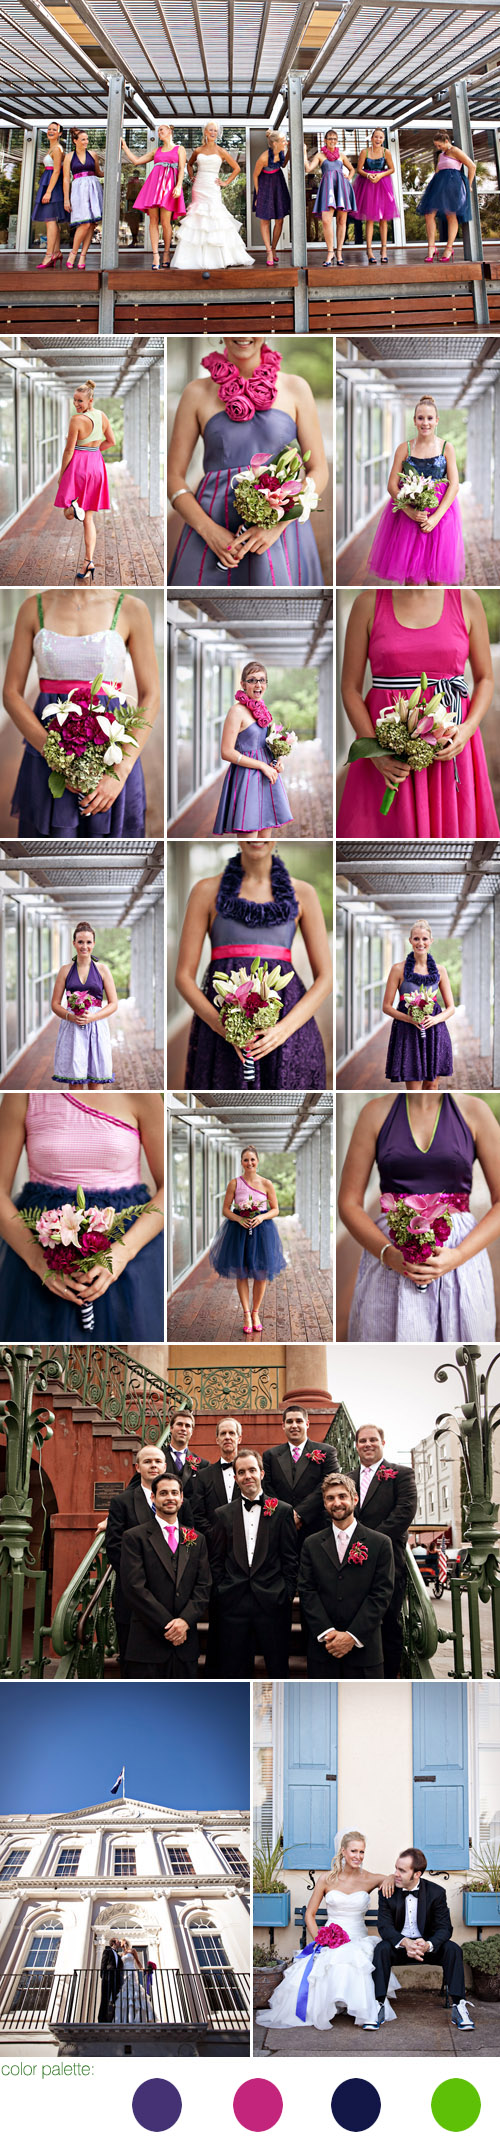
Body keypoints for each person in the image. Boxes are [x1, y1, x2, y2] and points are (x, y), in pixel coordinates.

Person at [0, 1091, 164, 1342]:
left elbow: (168, 1189)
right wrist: (37, 1260)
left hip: (129, 1252)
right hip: (39, 1251)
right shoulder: (22, 1095)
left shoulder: (144, 1096)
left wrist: (120, 1255)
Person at [337, 586, 498, 839]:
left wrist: (467, 729)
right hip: (384, 745)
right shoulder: (366, 603)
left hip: (450, 743)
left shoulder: (467, 600)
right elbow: (350, 688)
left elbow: (486, 678)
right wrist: (375, 752)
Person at [339, 1091, 500, 1342]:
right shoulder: (374, 1112)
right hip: (389, 1255)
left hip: (460, 1256)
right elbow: (349, 1202)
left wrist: (458, 1256)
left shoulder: (475, 1110)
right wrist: (388, 1255)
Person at [167, 334, 327, 587]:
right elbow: (174, 477)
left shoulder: (296, 388)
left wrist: (280, 523)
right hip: (212, 526)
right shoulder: (195, 392)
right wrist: (210, 532)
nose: (243, 334)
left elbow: (319, 469)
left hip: (281, 527)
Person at [5, 586, 160, 837]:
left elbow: (151, 695)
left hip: (113, 751)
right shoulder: (32, 608)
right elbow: (11, 693)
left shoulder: (132, 608)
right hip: (47, 748)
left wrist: (121, 770)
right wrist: (55, 756)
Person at [176, 841, 331, 1090]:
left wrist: (282, 1030)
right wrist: (224, 1028)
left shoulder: (304, 893)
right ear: (236, 829)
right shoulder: (205, 891)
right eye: (248, 824)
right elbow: (183, 976)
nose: (256, 834)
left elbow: (326, 978)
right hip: (222, 1030)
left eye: (264, 824)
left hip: (288, 1028)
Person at [256, 1830, 398, 2032]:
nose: (358, 1856)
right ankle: (333, 2005)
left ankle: (364, 2011)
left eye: (362, 1852)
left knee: (355, 1958)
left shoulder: (371, 1878)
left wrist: (391, 1876)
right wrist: (322, 1940)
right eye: (354, 1851)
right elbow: (309, 1915)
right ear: (343, 1851)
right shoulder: (326, 1879)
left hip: (358, 1938)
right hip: (331, 1939)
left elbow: (396, 1880)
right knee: (329, 1962)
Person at [105, 1444, 195, 1674]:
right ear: (138, 1467)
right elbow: (115, 1548)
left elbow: (189, 1545)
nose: (153, 1465)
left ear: (165, 1466)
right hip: (136, 1600)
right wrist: (142, 1584)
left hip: (176, 1602)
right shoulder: (121, 1502)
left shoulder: (179, 1502)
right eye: (147, 1461)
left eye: (158, 1461)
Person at [210, 1448, 299, 1677]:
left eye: (252, 1470)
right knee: (234, 1670)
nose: (247, 1476)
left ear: (261, 1473)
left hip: (273, 1602)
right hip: (233, 1603)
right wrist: (222, 1591)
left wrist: (286, 1593)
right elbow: (217, 1560)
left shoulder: (283, 1511)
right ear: (235, 1477)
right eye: (241, 1472)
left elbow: (290, 1559)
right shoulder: (222, 1514)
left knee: (277, 1667)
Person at [297, 1472, 395, 1679]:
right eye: (330, 1498)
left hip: (365, 1651)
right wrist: (327, 1632)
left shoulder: (380, 1543)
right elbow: (307, 1590)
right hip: (324, 1649)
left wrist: (351, 1636)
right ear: (324, 1503)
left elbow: (381, 1593)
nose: (337, 1503)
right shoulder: (311, 1544)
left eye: (342, 1496)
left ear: (354, 1499)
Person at [370, 1848, 474, 2032]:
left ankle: (459, 2006)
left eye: (402, 1870)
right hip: (400, 1948)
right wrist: (404, 1942)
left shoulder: (436, 1892)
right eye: (396, 1868)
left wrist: (428, 1944)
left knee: (453, 1950)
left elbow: (445, 1928)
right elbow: (384, 1927)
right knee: (381, 1949)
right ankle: (378, 2005)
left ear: (417, 1874)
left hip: (426, 1948)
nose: (396, 1874)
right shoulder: (387, 1891)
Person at [121, 1470, 211, 1678]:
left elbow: (204, 1586)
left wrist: (185, 1622)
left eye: (174, 1493)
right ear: (153, 1497)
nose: (169, 1498)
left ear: (181, 1498)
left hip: (185, 1645)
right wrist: (169, 1626)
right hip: (147, 1642)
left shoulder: (196, 1539)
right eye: (163, 1493)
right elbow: (134, 1588)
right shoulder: (134, 1537)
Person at [368, 395, 464, 587]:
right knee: (411, 579)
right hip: (408, 517)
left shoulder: (447, 448)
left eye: (429, 418)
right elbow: (392, 485)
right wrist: (410, 512)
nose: (425, 422)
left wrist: (436, 517)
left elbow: (454, 484)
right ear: (414, 420)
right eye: (420, 418)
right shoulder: (405, 448)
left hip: (441, 516)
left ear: (437, 420)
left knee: (436, 579)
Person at [353, 1425, 417, 1679]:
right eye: (362, 1440)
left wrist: (371, 1543)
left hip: (388, 1561)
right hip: (353, 1564)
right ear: (356, 1445)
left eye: (372, 1440)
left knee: (389, 1622)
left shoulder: (401, 1474)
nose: (367, 1444)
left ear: (383, 1442)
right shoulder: (348, 1476)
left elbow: (404, 1512)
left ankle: (389, 1676)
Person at [209, 1143, 286, 1335]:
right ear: (241, 1162)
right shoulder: (234, 1183)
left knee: (261, 1274)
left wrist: (261, 1216)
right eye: (246, 1160)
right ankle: (245, 1314)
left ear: (257, 1161)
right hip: (239, 1230)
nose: (249, 1162)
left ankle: (255, 1312)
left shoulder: (267, 1183)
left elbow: (275, 1209)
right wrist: (239, 1218)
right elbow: (226, 1209)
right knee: (241, 1272)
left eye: (252, 1159)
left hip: (262, 1231)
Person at [213, 660, 293, 836]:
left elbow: (267, 742)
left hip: (267, 778)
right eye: (252, 680)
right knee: (250, 839)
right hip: (247, 779)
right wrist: (262, 766)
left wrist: (278, 760)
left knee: (265, 840)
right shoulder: (236, 712)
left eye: (262, 680)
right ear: (243, 684)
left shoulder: (262, 709)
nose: (258, 684)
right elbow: (226, 752)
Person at [54, 380, 114, 584]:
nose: (76, 404)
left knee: (67, 511)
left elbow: (69, 450)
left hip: (79, 467)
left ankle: (73, 508)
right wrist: (93, 451)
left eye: (80, 401)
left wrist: (62, 474)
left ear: (90, 400)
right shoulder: (102, 416)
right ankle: (89, 561)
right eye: (74, 400)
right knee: (89, 519)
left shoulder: (76, 420)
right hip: (97, 466)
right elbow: (111, 442)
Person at [172, 123, 253, 273]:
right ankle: (193, 258)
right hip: (199, 186)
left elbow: (237, 168)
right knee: (198, 218)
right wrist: (191, 176)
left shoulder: (221, 151)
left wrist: (225, 182)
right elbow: (189, 165)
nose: (213, 132)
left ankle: (221, 257)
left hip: (213, 186)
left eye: (215, 130)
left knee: (215, 217)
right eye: (211, 130)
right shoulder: (198, 150)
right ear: (205, 132)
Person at [383, 919, 454, 1089]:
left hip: (435, 1032)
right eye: (416, 939)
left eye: (424, 939)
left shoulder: (440, 970)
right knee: (414, 1088)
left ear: (431, 941)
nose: (420, 943)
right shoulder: (398, 969)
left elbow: (451, 1008)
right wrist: (409, 1019)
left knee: (432, 1086)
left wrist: (435, 1020)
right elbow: (386, 1006)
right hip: (408, 1032)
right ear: (410, 941)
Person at [52, 921, 118, 1087]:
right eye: (80, 942)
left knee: (96, 1081)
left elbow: (113, 1003)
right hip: (72, 1029)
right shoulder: (65, 970)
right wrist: (70, 1016)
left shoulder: (103, 969)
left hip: (96, 1027)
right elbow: (55, 1004)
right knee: (75, 1081)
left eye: (88, 942)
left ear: (94, 944)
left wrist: (93, 1016)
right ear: (74, 943)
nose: (84, 946)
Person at [263, 1403, 339, 1545]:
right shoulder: (270, 1455)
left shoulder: (327, 1452)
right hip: (281, 1527)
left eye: (299, 1421)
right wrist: (285, 1515)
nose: (294, 1425)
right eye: (289, 1421)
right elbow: (267, 1487)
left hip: (317, 1525)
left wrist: (299, 1514)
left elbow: (328, 1485)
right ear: (283, 1425)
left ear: (307, 1424)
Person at [120, 125, 186, 268]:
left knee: (166, 221)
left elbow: (181, 168)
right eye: (159, 130)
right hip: (154, 187)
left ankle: (167, 253)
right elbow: (137, 161)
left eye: (162, 129)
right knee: (153, 220)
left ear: (170, 131)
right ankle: (155, 255)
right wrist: (125, 148)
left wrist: (179, 186)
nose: (160, 132)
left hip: (169, 187)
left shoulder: (179, 149)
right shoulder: (156, 150)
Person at [417, 130, 476, 263]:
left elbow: (472, 166)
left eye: (439, 145)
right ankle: (431, 247)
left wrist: (469, 185)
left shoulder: (455, 151)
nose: (438, 148)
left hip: (453, 185)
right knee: (429, 214)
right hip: (439, 186)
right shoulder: (441, 155)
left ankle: (449, 248)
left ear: (447, 141)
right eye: (436, 146)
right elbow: (437, 172)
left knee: (451, 214)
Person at [305, 130, 356, 267]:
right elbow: (309, 168)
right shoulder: (320, 155)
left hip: (341, 188)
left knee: (341, 221)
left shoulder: (341, 155)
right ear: (325, 140)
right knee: (326, 221)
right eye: (330, 138)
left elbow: (352, 169)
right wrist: (304, 153)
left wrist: (349, 178)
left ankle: (339, 252)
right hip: (328, 189)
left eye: (335, 139)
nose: (332, 141)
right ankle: (330, 252)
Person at [354, 128, 399, 263]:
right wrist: (368, 175)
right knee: (370, 218)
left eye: (380, 137)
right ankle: (369, 251)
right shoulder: (365, 152)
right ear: (372, 138)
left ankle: (384, 250)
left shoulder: (387, 152)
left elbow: (392, 169)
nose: (378, 139)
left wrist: (380, 175)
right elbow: (359, 169)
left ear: (383, 139)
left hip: (382, 184)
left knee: (383, 218)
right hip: (368, 185)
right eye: (376, 137)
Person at [191, 1417, 242, 1533]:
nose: (227, 1437)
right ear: (217, 1440)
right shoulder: (203, 1476)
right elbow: (197, 1514)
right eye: (223, 1433)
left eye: (232, 1433)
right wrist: (214, 1536)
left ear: (239, 1439)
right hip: (215, 1545)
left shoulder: (251, 1474)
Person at [64, 129, 103, 271]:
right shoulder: (69, 157)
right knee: (84, 224)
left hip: (93, 188)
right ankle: (73, 253)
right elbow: (66, 178)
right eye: (83, 139)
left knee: (92, 224)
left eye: (87, 139)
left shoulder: (93, 155)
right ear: (75, 141)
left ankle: (83, 255)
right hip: (78, 189)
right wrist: (66, 199)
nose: (86, 142)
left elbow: (98, 173)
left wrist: (113, 170)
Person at [252, 131, 291, 269]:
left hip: (278, 185)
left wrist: (290, 151)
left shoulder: (280, 153)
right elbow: (255, 176)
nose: (285, 142)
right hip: (265, 187)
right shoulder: (263, 158)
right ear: (275, 143)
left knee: (280, 220)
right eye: (284, 141)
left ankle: (273, 247)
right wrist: (257, 195)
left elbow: (284, 164)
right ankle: (269, 252)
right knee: (265, 220)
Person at [32, 122, 66, 268]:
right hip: (49, 183)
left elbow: (57, 171)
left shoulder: (57, 149)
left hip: (53, 186)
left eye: (54, 129)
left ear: (59, 133)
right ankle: (56, 252)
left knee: (50, 221)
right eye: (49, 129)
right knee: (51, 221)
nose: (51, 131)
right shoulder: (52, 148)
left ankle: (48, 255)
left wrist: (48, 191)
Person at [162, 1407, 209, 1493]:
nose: (183, 1428)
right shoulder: (157, 1459)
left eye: (187, 1426)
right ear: (171, 1428)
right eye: (179, 1424)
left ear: (191, 1431)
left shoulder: (203, 1465)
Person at [114, 1941, 153, 2024]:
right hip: (125, 1973)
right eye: (120, 1943)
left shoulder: (133, 1951)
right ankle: (127, 2017)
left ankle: (139, 2016)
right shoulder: (122, 1954)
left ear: (126, 1943)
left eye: (123, 1942)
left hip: (132, 1971)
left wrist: (142, 1969)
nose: (121, 1944)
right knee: (126, 1993)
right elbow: (120, 1966)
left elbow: (137, 1961)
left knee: (134, 1990)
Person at [98, 1938, 124, 2023]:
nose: (119, 1943)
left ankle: (114, 2018)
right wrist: (103, 1975)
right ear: (113, 1943)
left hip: (116, 1979)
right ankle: (102, 2019)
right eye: (118, 1941)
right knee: (105, 1997)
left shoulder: (119, 1956)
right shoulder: (107, 1951)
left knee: (116, 1998)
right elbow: (103, 1963)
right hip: (108, 1977)